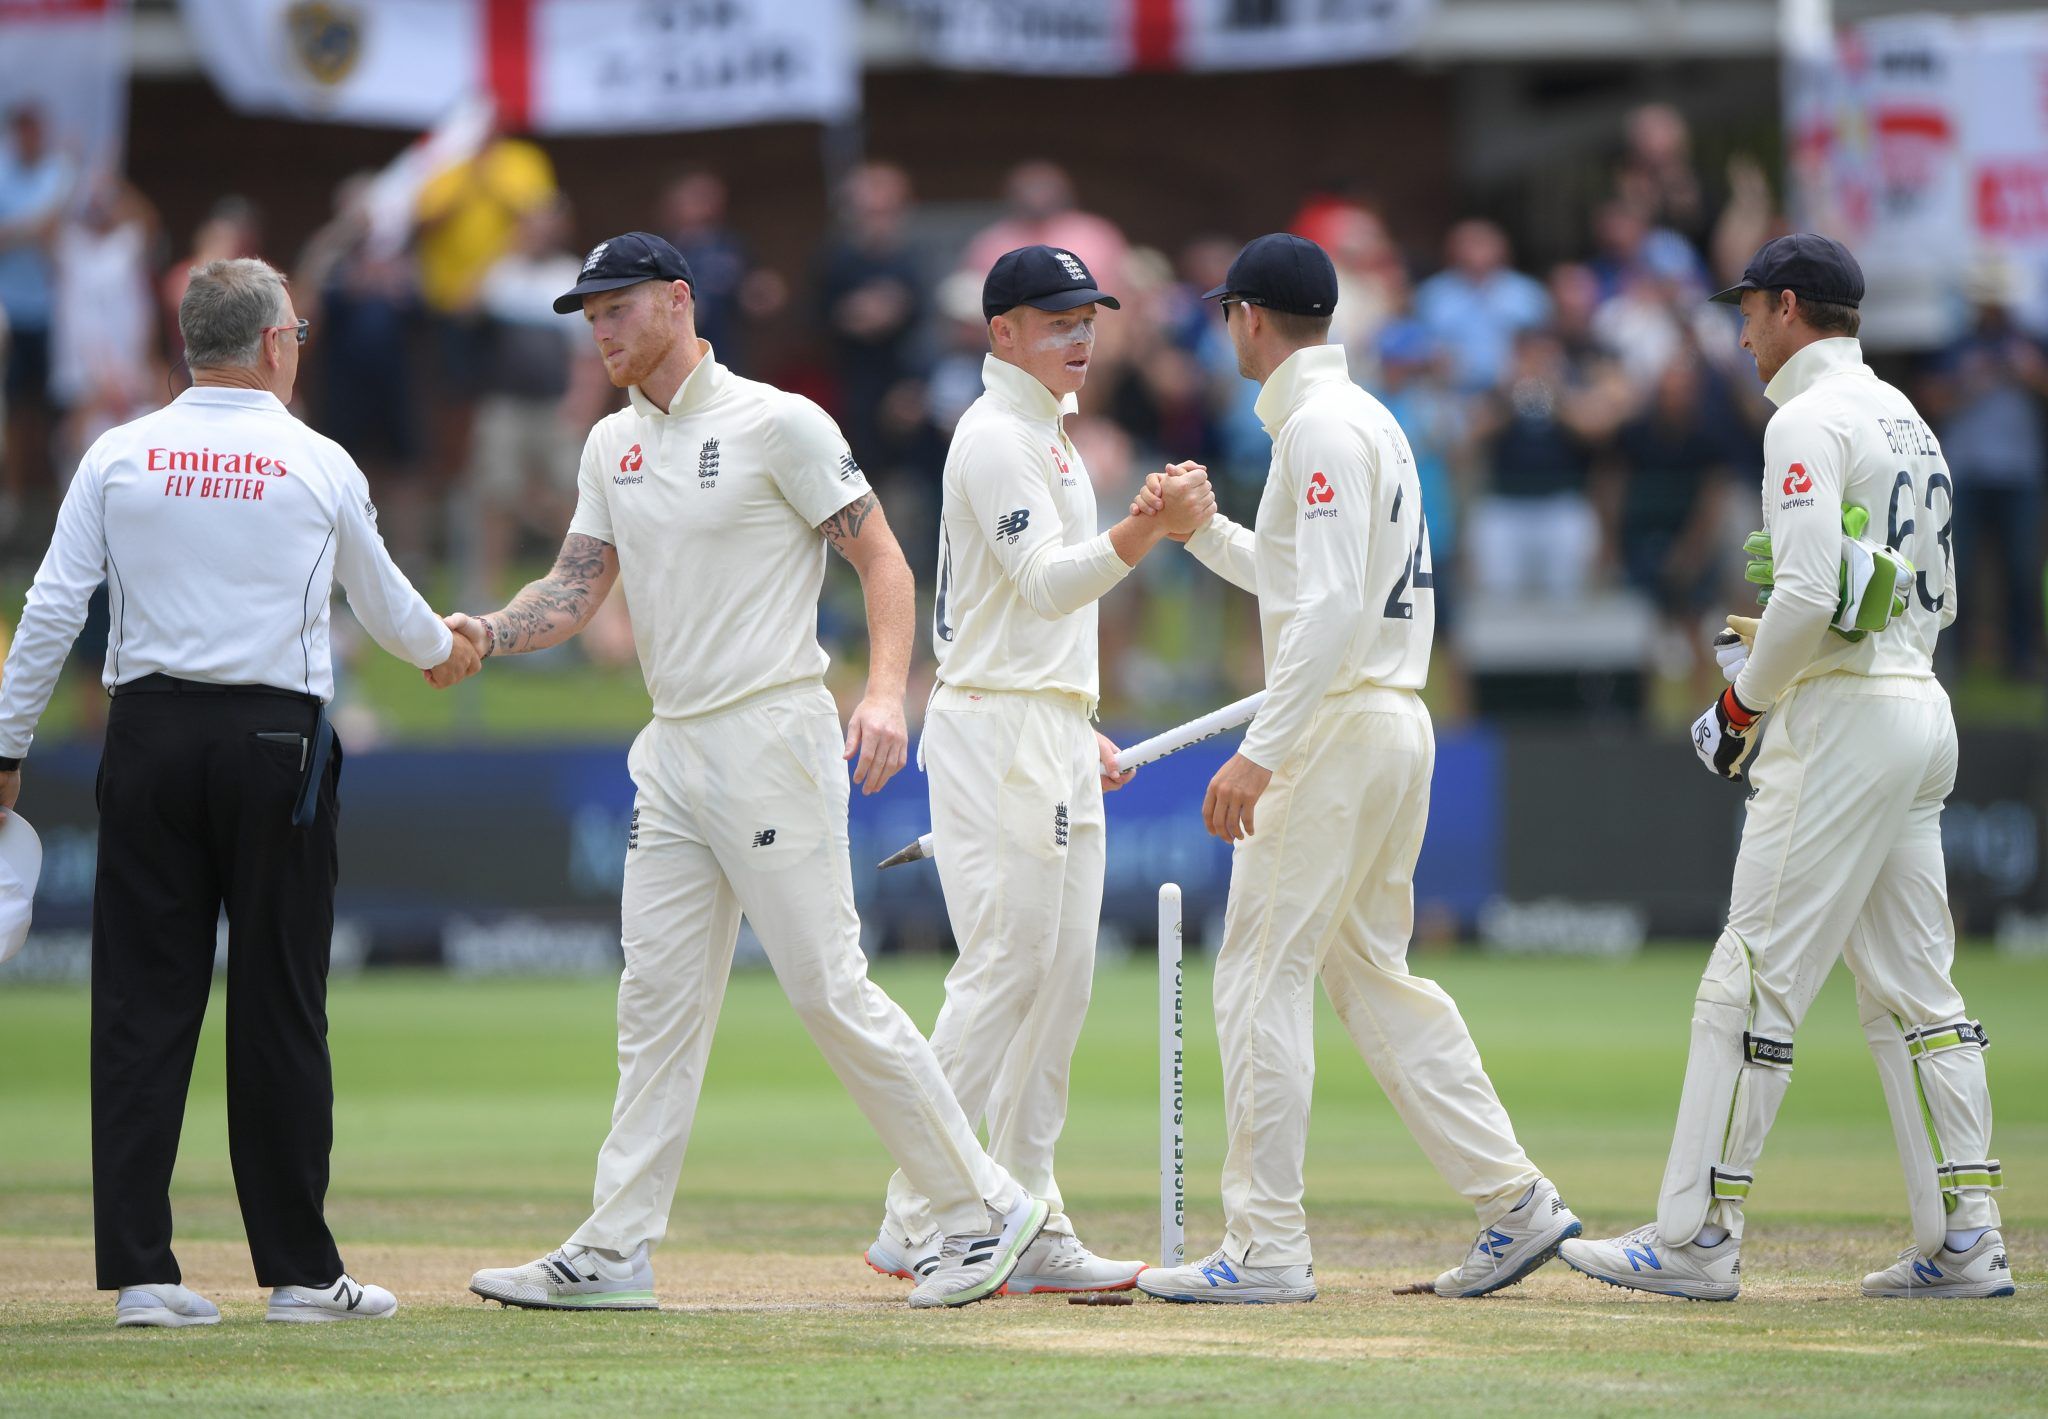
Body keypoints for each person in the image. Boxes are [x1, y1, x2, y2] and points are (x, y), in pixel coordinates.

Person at [461, 232, 1049, 1312]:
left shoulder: (779, 422)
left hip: (772, 733)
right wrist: (487, 634)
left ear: (678, 300)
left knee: (828, 989)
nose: (601, 331)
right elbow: (576, 587)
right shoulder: (610, 444)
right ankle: (614, 1247)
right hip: (672, 749)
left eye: (618, 308)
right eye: (590, 314)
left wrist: (884, 694)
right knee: (655, 1005)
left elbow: (882, 558)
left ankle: (981, 1209)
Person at [0, 257, 478, 1329]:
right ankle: (302, 1275)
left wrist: (3, 749)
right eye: (296, 333)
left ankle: (141, 1276)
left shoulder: (118, 452)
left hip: (147, 736)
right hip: (275, 744)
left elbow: (52, 606)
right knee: (279, 1001)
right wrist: (446, 649)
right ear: (272, 343)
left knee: (140, 1002)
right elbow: (385, 603)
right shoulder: (315, 458)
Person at [1129, 234, 1581, 1304]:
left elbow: (1329, 608)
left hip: (1338, 726)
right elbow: (1307, 583)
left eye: (1226, 314)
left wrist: (1260, 752)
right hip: (1383, 719)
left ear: (1247, 318)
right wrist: (1201, 532)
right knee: (1368, 976)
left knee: (1259, 975)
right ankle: (1514, 1202)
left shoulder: (1321, 427)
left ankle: (1265, 1248)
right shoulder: (1362, 417)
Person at [1562, 234, 2012, 1301]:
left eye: (1750, 309)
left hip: (1844, 721)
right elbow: (1912, 595)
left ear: (1791, 306)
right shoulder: (1907, 419)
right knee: (1914, 990)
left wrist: (1737, 705)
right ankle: (1967, 1236)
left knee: (1749, 975)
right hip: (1917, 703)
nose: (1740, 332)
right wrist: (1802, 633)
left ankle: (1695, 1237)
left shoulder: (1804, 420)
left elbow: (1807, 595)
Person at [864, 246, 1214, 1294]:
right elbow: (1046, 583)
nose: (1080, 336)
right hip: (995, 729)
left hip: (1044, 723)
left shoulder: (1049, 435)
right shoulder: (994, 436)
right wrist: (1146, 527)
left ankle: (1030, 1212)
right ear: (1002, 332)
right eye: (1057, 321)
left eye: (1087, 319)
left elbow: (1038, 615)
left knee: (1058, 985)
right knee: (1004, 970)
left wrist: (1075, 720)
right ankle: (922, 1215)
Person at [0, 104, 75, 520]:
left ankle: (51, 496)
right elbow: (42, 228)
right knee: (11, 408)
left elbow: (54, 235)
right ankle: (11, 497)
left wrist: (20, 230)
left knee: (51, 406)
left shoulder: (55, 174)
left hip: (51, 311)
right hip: (9, 310)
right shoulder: (12, 175)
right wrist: (36, 226)